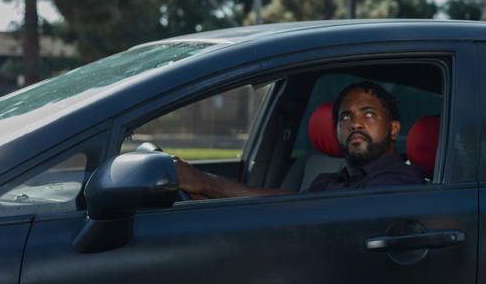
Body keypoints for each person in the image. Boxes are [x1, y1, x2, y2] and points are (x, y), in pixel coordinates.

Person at [175, 81, 423, 198]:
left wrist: (204, 182)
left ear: (393, 129)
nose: (355, 123)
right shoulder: (327, 180)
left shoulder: (399, 182)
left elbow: (301, 208)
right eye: (345, 117)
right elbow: (293, 206)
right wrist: (199, 195)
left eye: (369, 114)